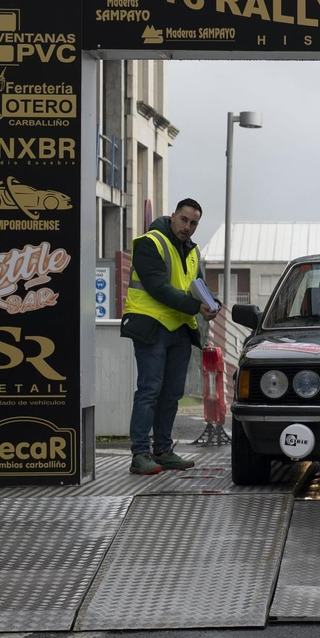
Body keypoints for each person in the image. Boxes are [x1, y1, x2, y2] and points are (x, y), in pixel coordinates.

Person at [121, 198, 226, 475]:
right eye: (184, 219)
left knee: (171, 394)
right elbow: (157, 287)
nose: (187, 227)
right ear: (173, 216)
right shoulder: (149, 242)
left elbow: (197, 285)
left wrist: (212, 303)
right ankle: (140, 454)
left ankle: (163, 450)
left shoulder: (192, 251)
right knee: (150, 390)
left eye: (193, 223)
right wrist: (197, 307)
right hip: (151, 326)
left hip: (179, 327)